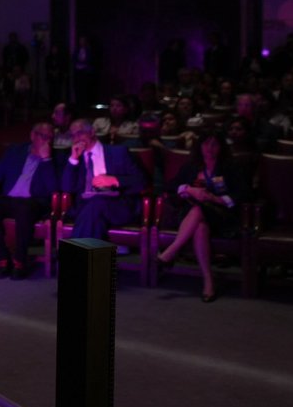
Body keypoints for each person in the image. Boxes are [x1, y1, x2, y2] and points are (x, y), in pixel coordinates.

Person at [155, 129, 249, 302]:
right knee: (200, 226)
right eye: (206, 144)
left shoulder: (231, 167)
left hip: (221, 216)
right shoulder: (191, 166)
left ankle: (171, 252)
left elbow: (243, 194)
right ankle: (208, 281)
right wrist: (189, 189)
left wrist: (214, 198)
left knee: (199, 212)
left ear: (221, 147)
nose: (210, 148)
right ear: (200, 146)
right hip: (192, 215)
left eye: (214, 144)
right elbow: (171, 186)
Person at [0, 122, 59, 280]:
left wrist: (46, 160)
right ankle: (3, 257)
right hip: (9, 199)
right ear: (33, 136)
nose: (47, 141)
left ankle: (20, 260)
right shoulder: (15, 151)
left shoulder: (55, 157)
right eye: (44, 137)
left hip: (34, 202)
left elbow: (53, 189)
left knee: (24, 209)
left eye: (51, 138)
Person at [61, 118, 144, 240]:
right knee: (96, 221)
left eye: (80, 133)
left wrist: (115, 180)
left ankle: (74, 251)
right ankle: (87, 253)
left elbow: (141, 181)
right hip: (85, 207)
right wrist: (73, 159)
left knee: (96, 203)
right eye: (72, 135)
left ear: (92, 132)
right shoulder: (74, 159)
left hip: (116, 206)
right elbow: (66, 188)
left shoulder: (118, 152)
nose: (76, 138)